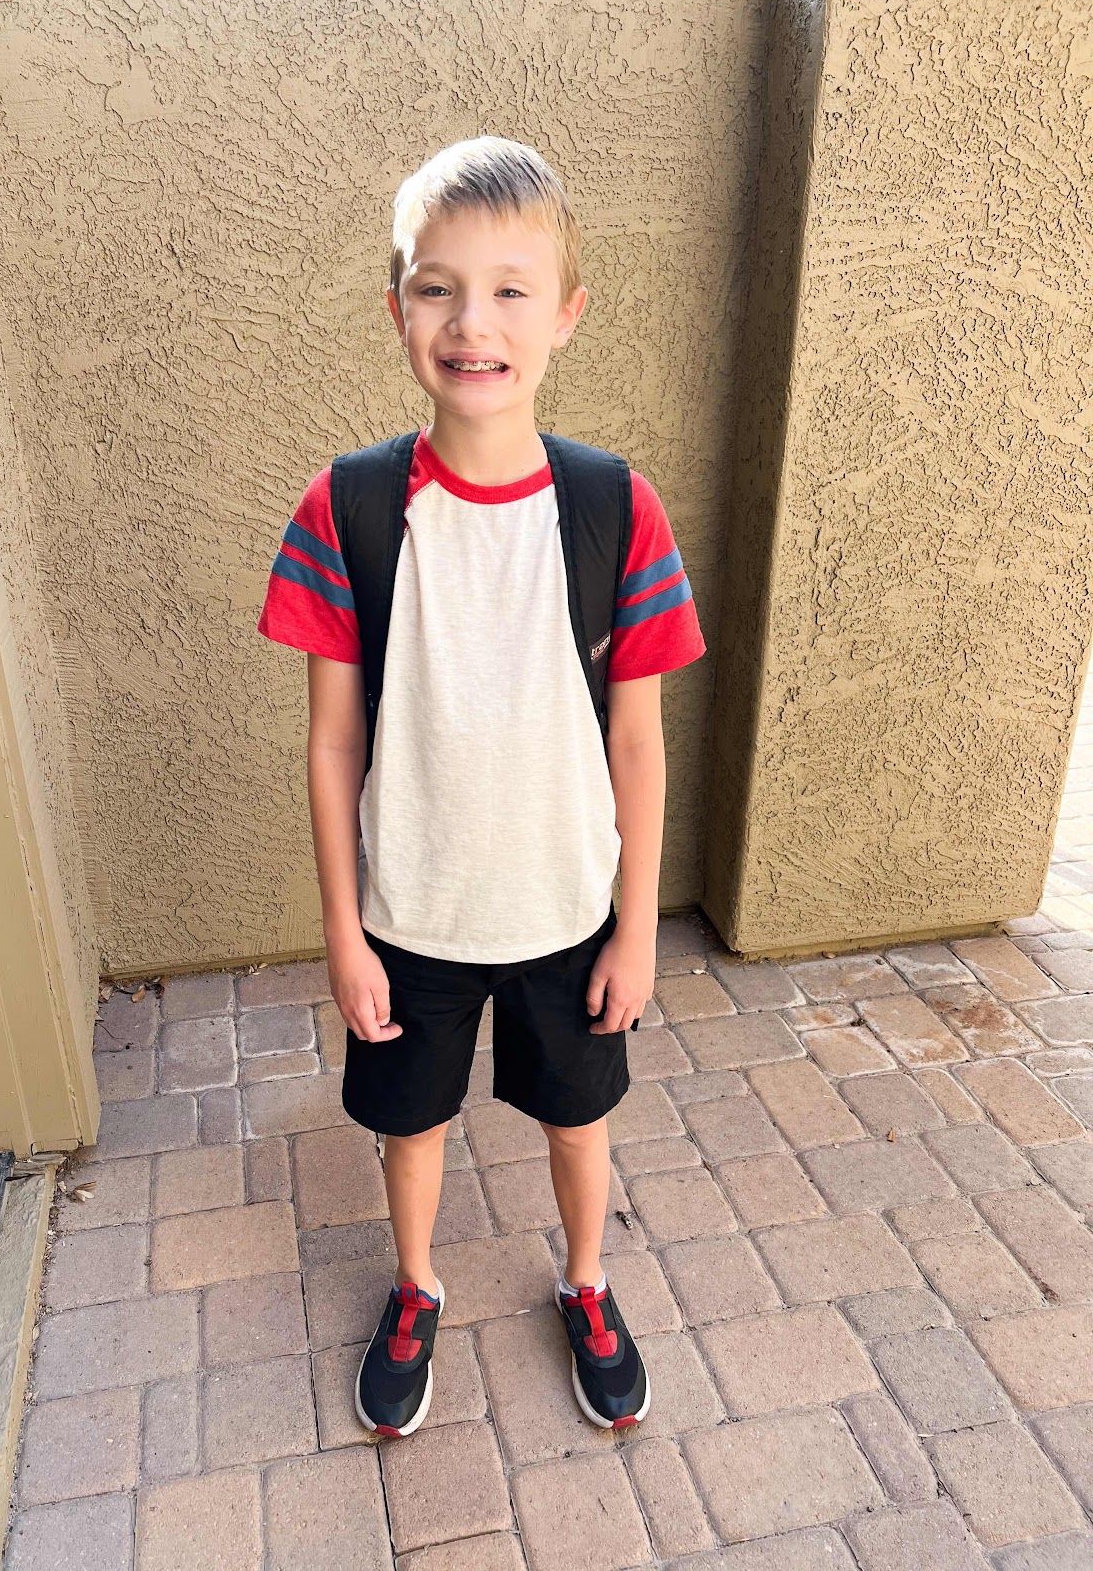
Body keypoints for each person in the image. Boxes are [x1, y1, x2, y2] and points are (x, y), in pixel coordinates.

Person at [257, 136, 707, 1438]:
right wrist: (343, 933)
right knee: (411, 1126)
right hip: (411, 915)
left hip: (567, 911)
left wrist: (634, 926)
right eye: (438, 287)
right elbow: (333, 742)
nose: (473, 323)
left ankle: (586, 1279)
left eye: (511, 289)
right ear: (396, 304)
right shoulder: (348, 509)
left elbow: (639, 742)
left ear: (565, 312)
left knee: (579, 1119)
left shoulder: (614, 508)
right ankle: (417, 1284)